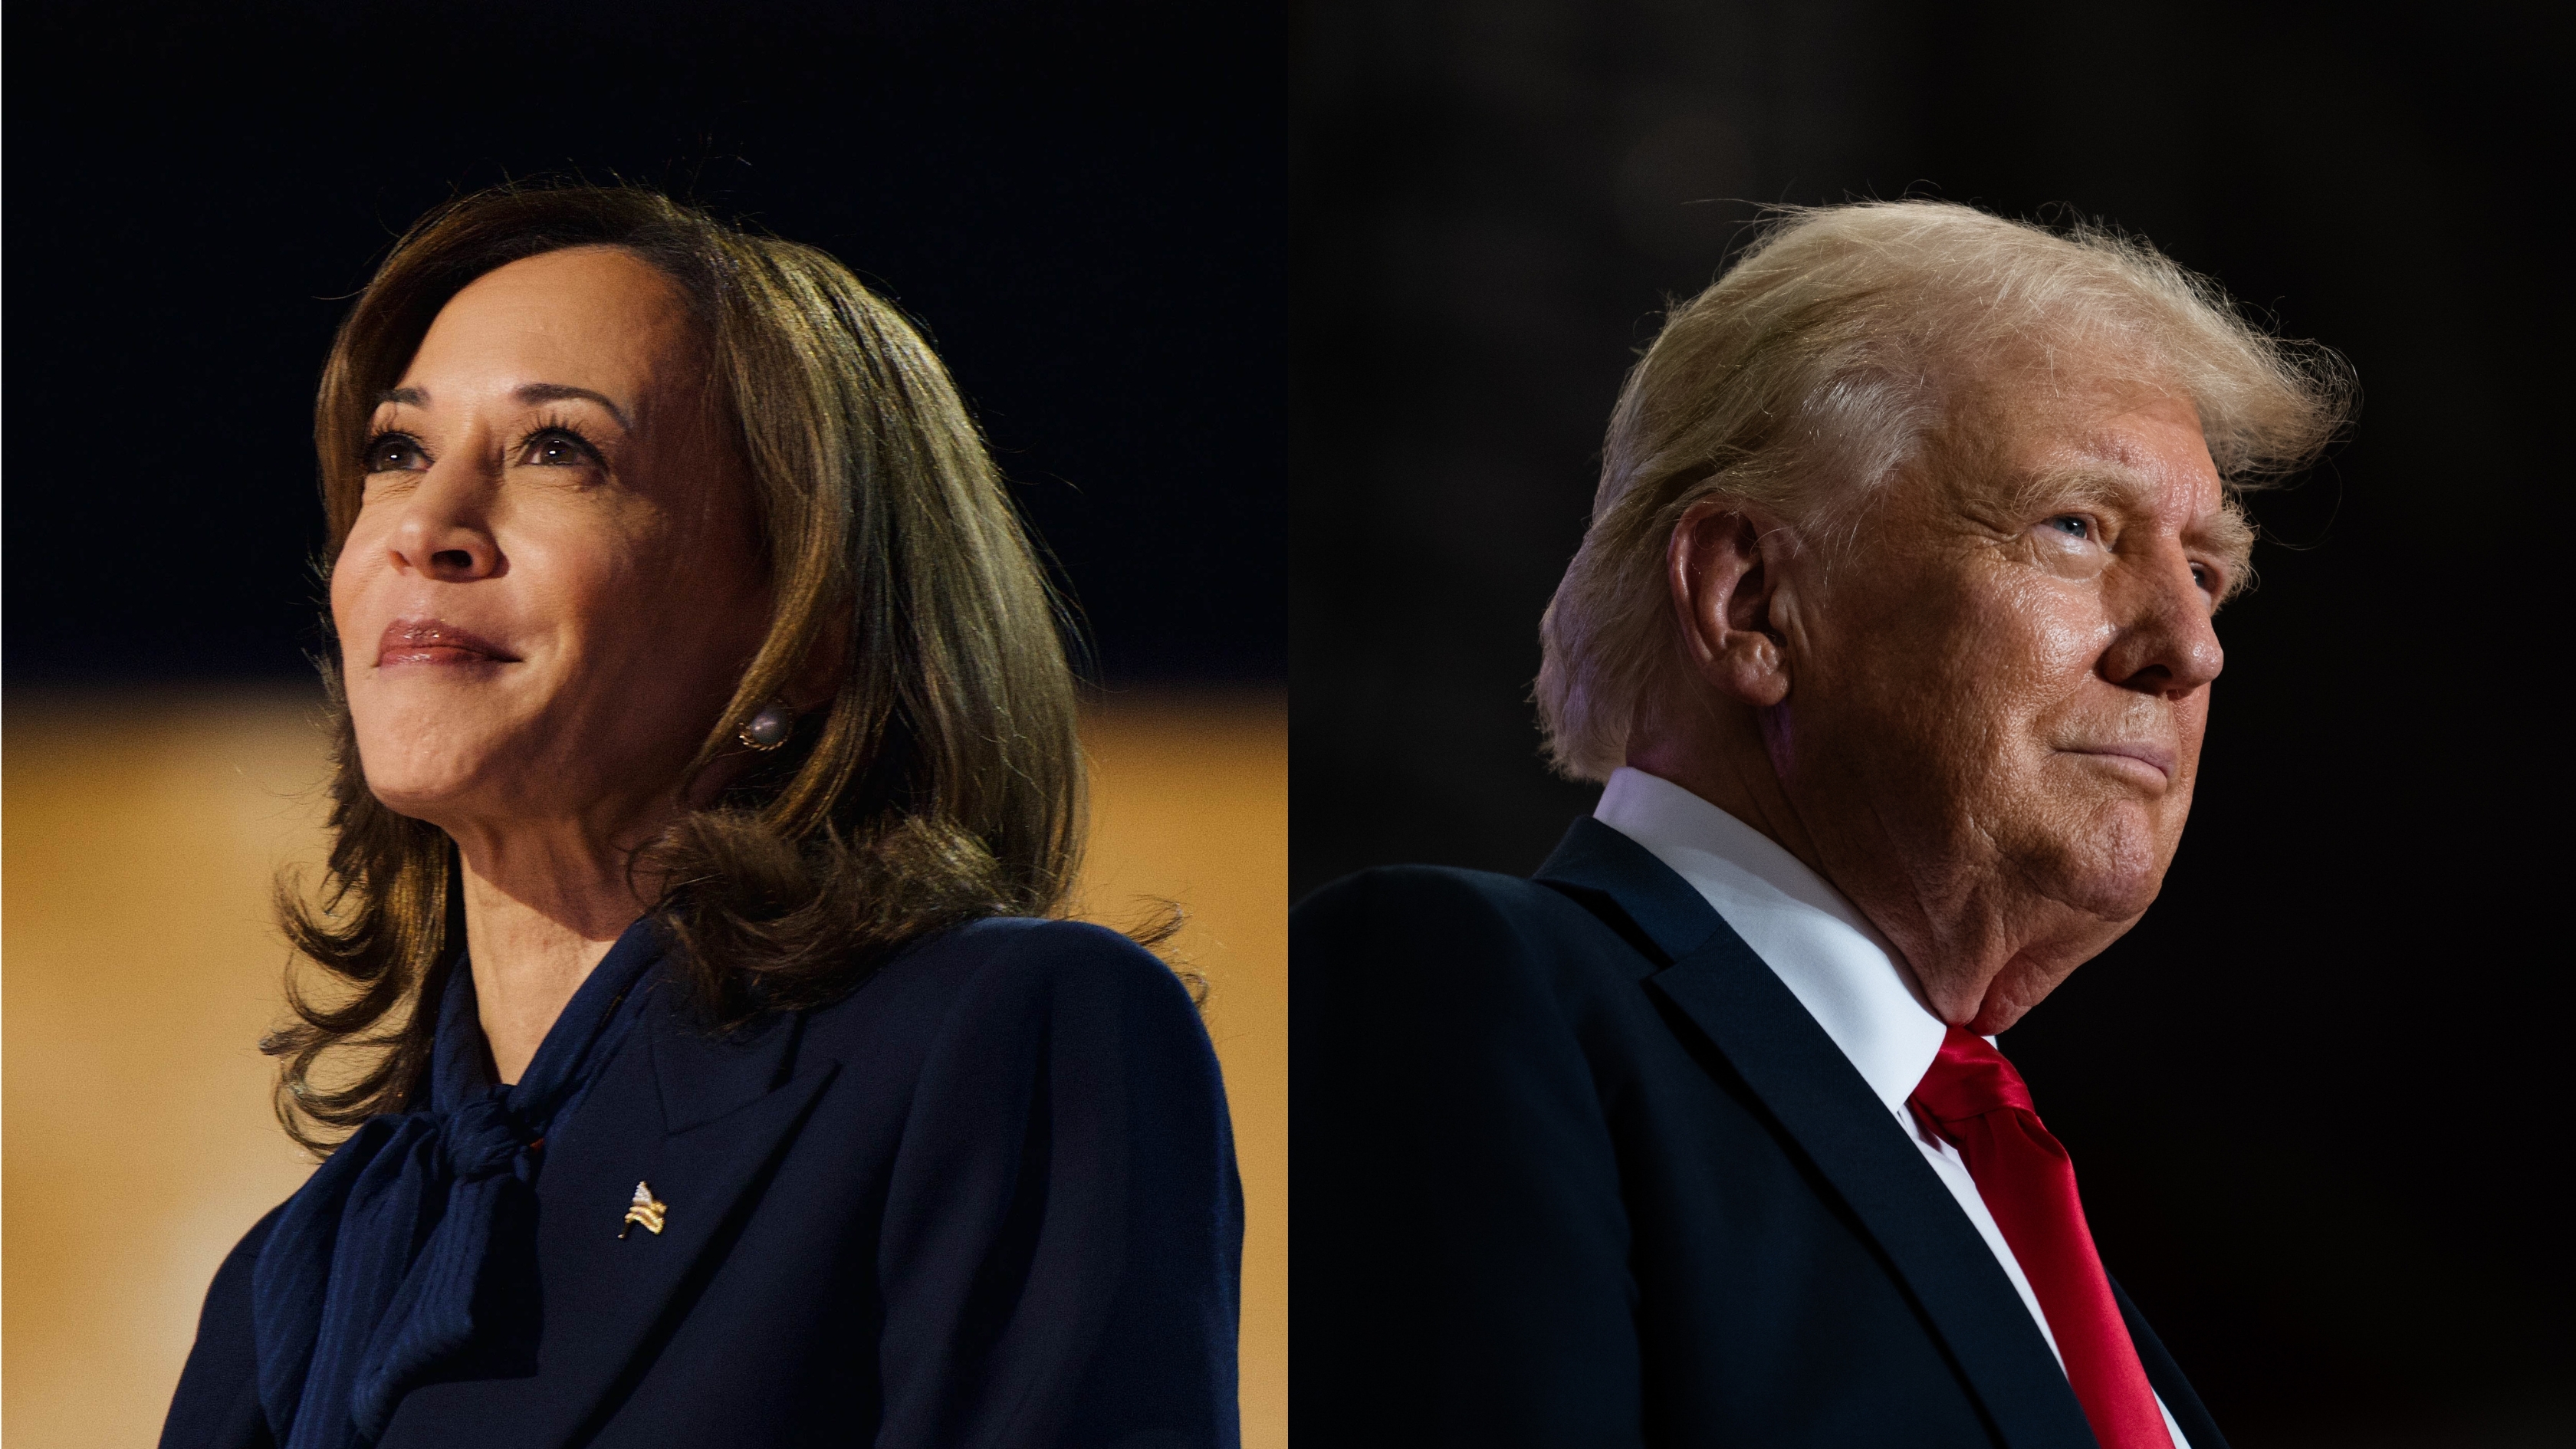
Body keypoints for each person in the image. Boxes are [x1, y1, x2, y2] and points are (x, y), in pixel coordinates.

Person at [160, 184, 1240, 1449]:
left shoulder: (1005, 1040)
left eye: (559, 448)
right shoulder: (295, 1280)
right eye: (398, 452)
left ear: (809, 627)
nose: (425, 528)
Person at [1293, 201, 2348, 1448]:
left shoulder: (2007, 1196)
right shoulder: (1466, 994)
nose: (2190, 645)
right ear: (1752, 599)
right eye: (2077, 527)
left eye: (2208, 567)